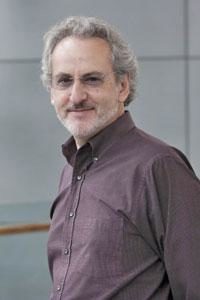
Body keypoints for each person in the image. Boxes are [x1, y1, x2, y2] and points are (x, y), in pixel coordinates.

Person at [41, 16, 200, 300]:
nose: (76, 96)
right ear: (52, 93)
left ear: (122, 87)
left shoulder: (159, 168)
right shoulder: (70, 171)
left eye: (92, 79)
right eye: (64, 81)